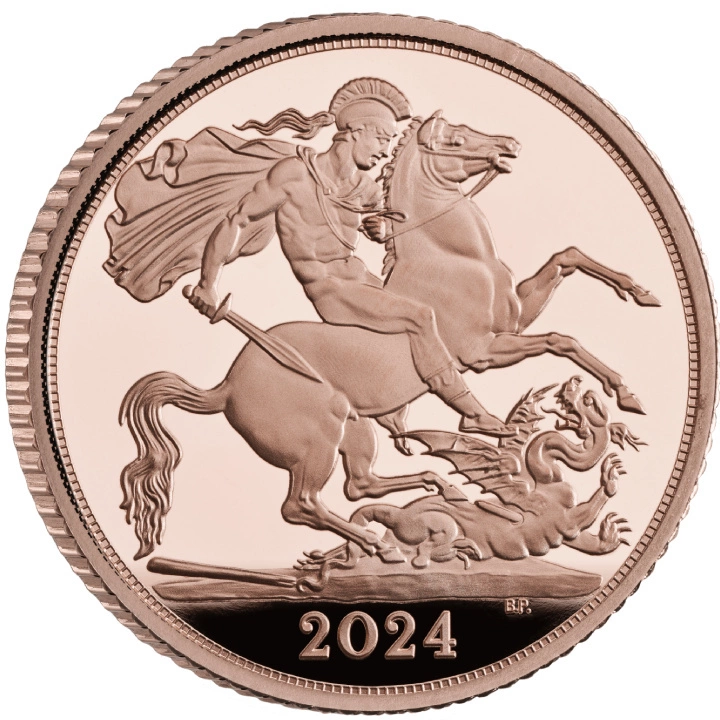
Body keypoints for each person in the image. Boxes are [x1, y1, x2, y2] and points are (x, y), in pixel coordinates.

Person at [188, 78, 511, 437]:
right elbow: (237, 219)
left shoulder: (365, 188)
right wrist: (207, 284)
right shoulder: (294, 176)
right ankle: (471, 412)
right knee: (420, 317)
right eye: (382, 139)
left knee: (436, 313)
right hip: (330, 289)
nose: (385, 152)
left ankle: (395, 400)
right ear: (356, 132)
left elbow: (386, 223)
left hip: (361, 279)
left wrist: (380, 229)